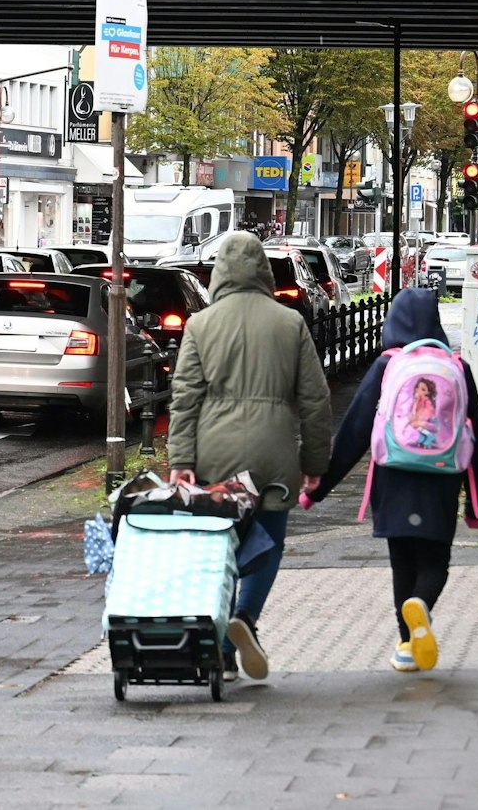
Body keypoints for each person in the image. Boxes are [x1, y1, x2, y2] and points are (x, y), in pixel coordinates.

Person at [166, 231, 333, 680]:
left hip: (213, 454)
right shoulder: (290, 324)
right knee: (269, 543)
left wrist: (181, 460)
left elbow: (184, 398)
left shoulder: (201, 325)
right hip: (273, 453)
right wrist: (315, 464)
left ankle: (221, 653)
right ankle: (245, 618)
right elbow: (315, 400)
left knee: (218, 551)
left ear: (219, 271)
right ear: (263, 271)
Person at [305, 288, 478, 672]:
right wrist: (476, 505)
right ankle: (421, 604)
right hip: (442, 477)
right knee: (435, 561)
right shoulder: (457, 366)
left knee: (402, 562)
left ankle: (406, 645)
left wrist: (318, 490)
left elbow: (354, 432)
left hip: (393, 476)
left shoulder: (388, 364)